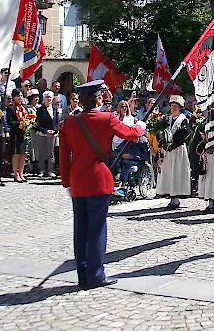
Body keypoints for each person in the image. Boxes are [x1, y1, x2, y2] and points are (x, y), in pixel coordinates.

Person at [59, 80, 146, 290]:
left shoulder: (69, 123)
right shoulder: (106, 118)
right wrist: (141, 127)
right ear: (98, 99)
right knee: (97, 230)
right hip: (98, 181)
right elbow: (130, 134)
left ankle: (83, 275)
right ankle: (96, 275)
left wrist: (66, 181)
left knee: (80, 230)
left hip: (78, 182)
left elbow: (63, 155)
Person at [156, 95, 191, 209]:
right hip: (168, 150)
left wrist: (173, 144)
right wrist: (163, 143)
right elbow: (160, 133)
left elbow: (184, 135)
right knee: (169, 173)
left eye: (175, 106)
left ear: (180, 108)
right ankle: (171, 197)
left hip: (178, 149)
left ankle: (176, 199)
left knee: (177, 173)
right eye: (171, 106)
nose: (173, 108)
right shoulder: (166, 119)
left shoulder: (183, 120)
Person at [34, 91, 61, 178]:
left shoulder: (54, 109)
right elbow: (38, 123)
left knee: (51, 153)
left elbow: (57, 122)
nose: (48, 99)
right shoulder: (40, 110)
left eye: (50, 97)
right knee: (41, 152)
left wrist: (55, 131)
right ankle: (41, 170)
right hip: (42, 134)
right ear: (44, 98)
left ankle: (50, 170)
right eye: (47, 97)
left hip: (52, 134)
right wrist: (46, 131)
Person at [6, 89, 29, 182]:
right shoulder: (11, 108)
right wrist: (20, 123)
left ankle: (21, 173)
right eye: (18, 96)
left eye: (21, 96)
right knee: (16, 154)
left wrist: (28, 122)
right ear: (14, 97)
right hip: (15, 133)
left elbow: (28, 118)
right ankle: (16, 173)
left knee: (23, 154)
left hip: (23, 133)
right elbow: (10, 122)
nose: (20, 98)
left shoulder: (24, 108)